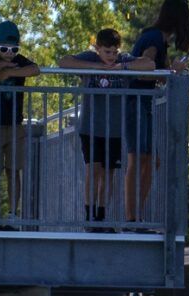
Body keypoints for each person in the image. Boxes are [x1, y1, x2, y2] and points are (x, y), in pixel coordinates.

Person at [58, 31, 140, 227]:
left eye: (114, 52)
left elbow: (149, 65)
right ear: (97, 49)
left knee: (108, 173)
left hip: (114, 129)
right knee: (93, 170)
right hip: (90, 126)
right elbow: (64, 62)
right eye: (106, 52)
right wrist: (96, 66)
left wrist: (122, 67)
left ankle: (102, 216)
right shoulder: (90, 57)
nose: (111, 56)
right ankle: (90, 214)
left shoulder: (122, 59)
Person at [121, 0, 189, 223]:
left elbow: (156, 74)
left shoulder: (159, 39)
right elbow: (143, 71)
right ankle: (132, 219)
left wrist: (171, 71)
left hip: (143, 104)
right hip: (135, 102)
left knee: (151, 160)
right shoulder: (153, 39)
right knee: (137, 159)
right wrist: (172, 70)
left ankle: (136, 215)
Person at [0, 22, 39, 228]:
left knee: (13, 170)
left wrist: (10, 73)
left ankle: (13, 214)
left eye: (14, 49)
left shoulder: (20, 62)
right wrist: (2, 66)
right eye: (5, 49)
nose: (9, 53)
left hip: (15, 125)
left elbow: (35, 70)